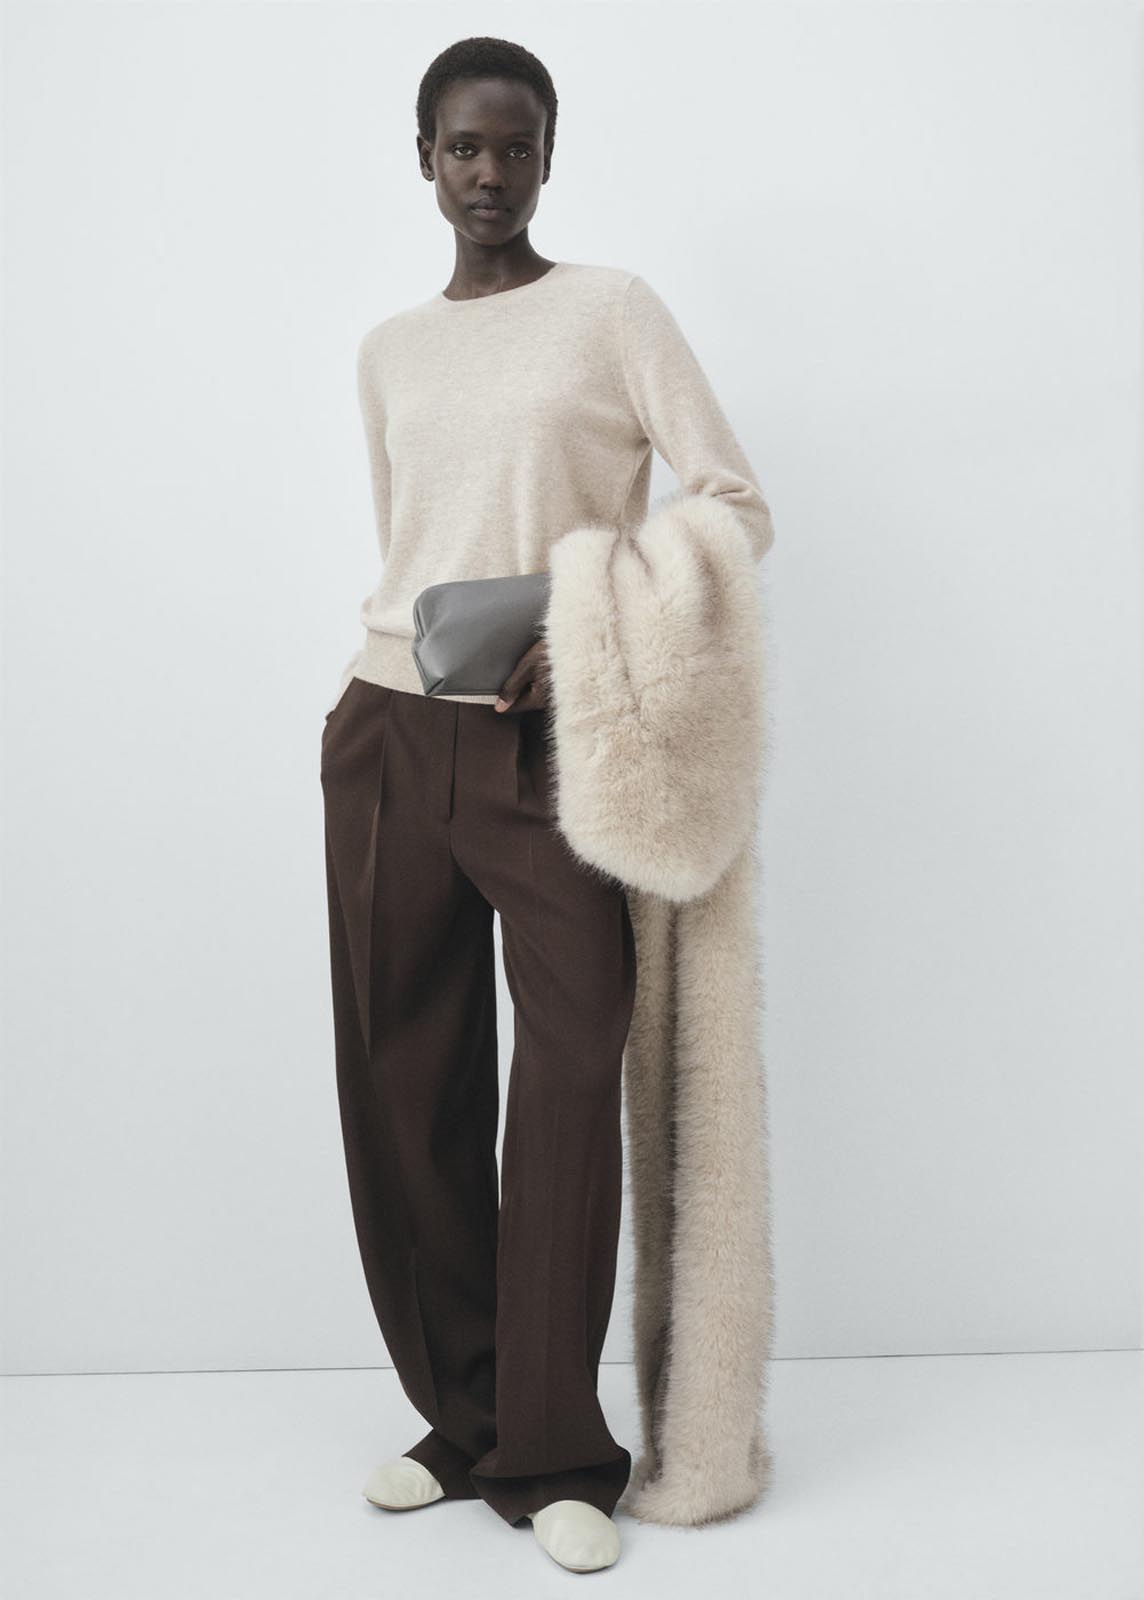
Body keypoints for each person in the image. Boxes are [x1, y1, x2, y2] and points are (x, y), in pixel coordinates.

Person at [319, 35, 775, 1575]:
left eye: (515, 146)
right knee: (408, 1078)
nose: (489, 174)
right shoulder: (389, 350)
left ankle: (556, 1446)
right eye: (463, 146)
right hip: (390, 731)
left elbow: (732, 504)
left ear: (549, 156)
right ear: (425, 159)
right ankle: (462, 1422)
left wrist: (596, 627)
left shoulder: (611, 311)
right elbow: (414, 547)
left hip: (555, 744)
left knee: (573, 1071)